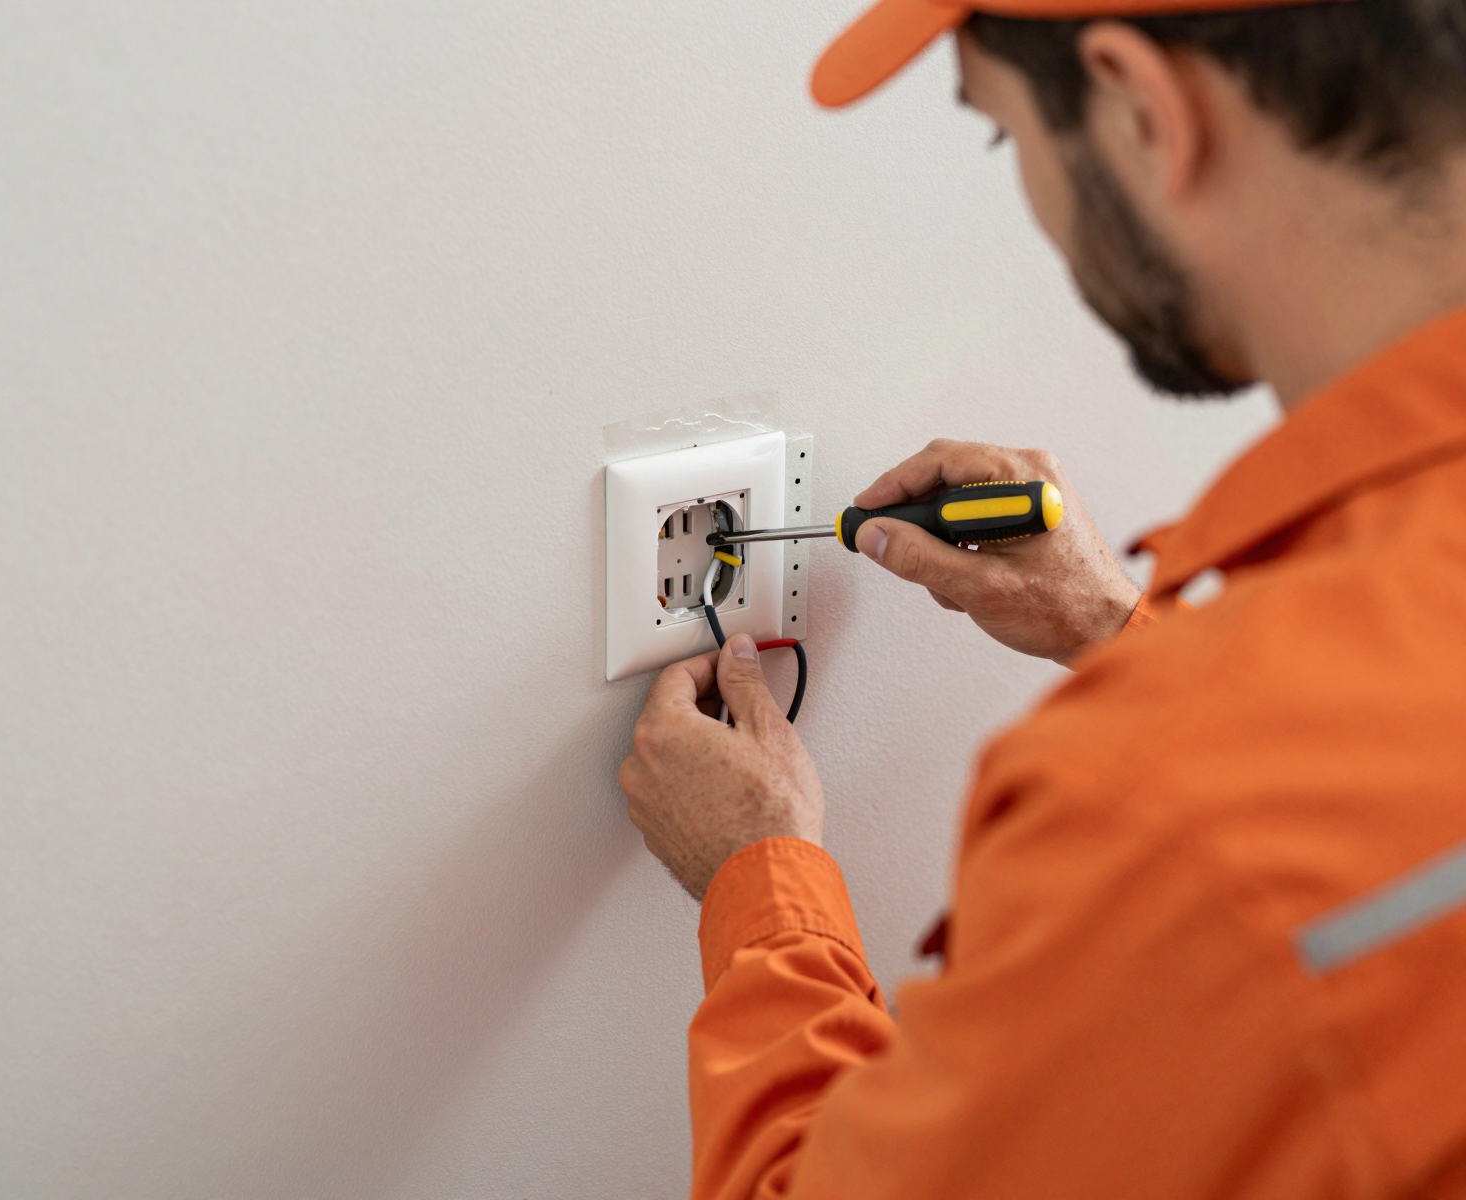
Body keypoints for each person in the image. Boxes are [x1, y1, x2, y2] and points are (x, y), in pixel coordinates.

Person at [617, 1, 1466, 1196]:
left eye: (1000, 136)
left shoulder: (1166, 809)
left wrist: (759, 882)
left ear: (1139, 107)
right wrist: (1122, 637)